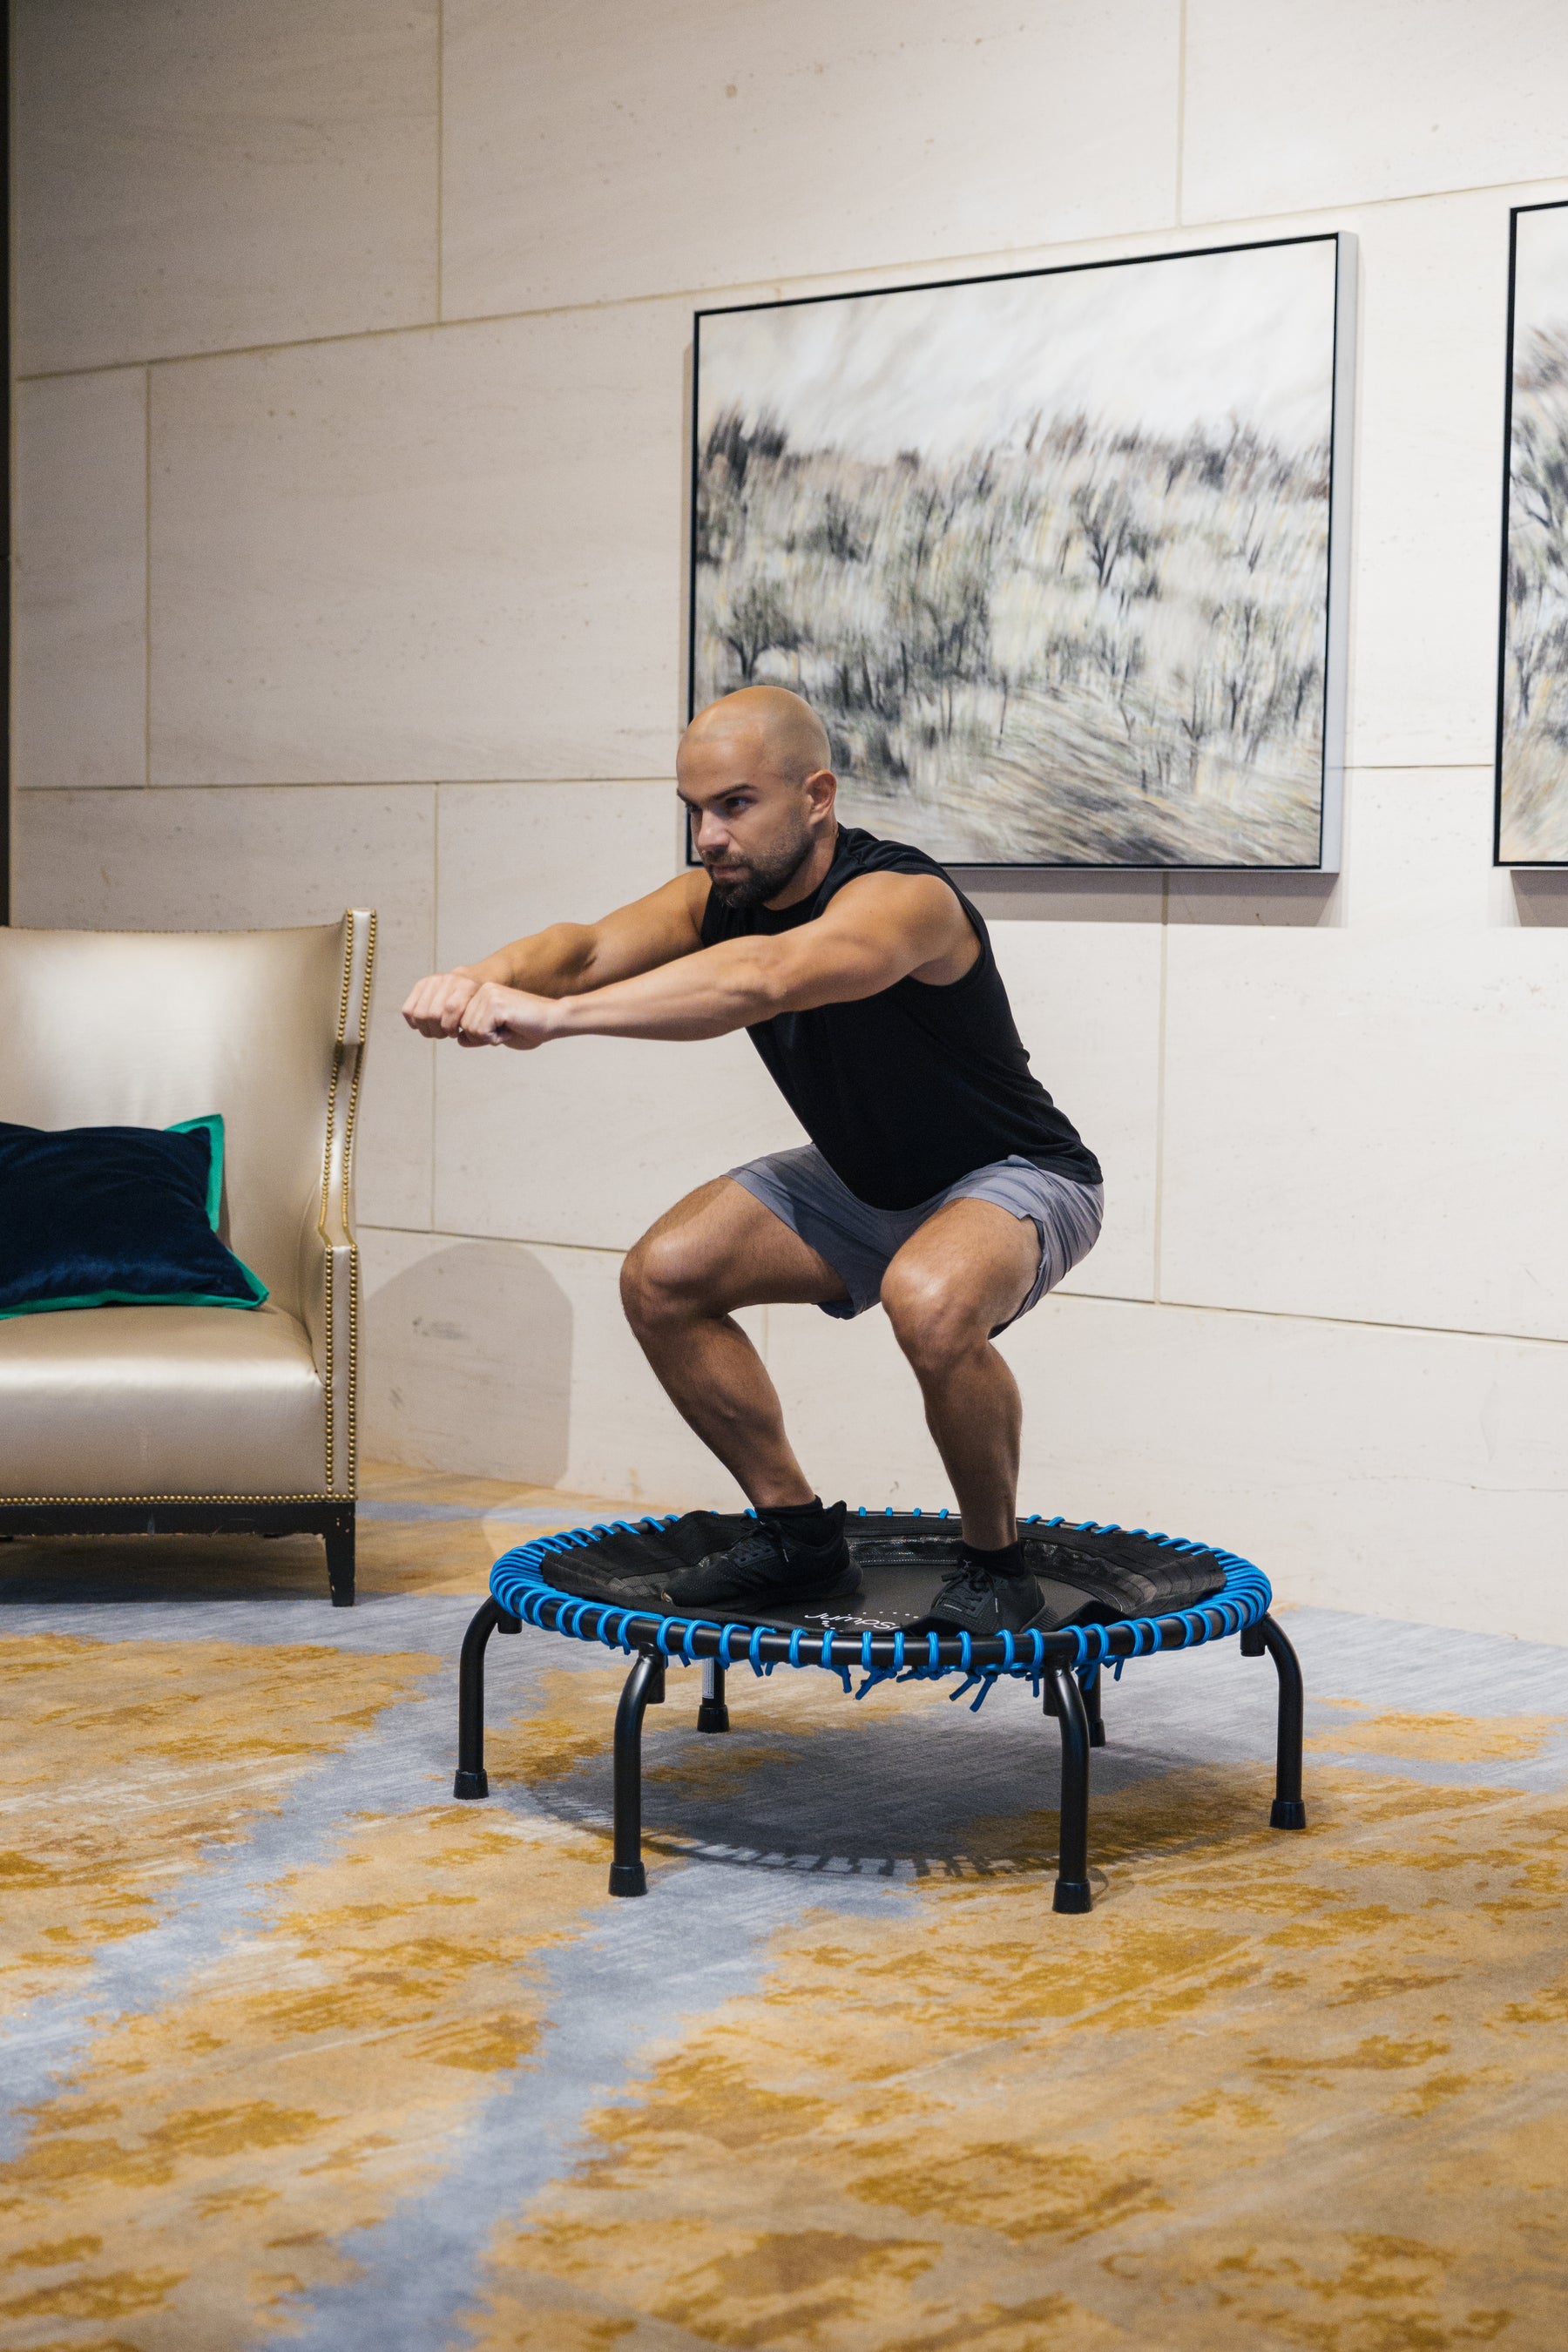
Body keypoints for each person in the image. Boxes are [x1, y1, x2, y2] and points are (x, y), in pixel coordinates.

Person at [402, 686, 1102, 1633]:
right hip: (860, 1177)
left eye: (735, 805)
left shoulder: (905, 898)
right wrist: (477, 979)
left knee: (930, 1302)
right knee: (664, 1278)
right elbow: (583, 950)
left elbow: (766, 978)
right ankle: (796, 1536)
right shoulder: (718, 900)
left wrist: (558, 1021)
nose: (709, 838)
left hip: (1016, 1173)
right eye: (694, 811)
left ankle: (996, 1566)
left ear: (817, 796)